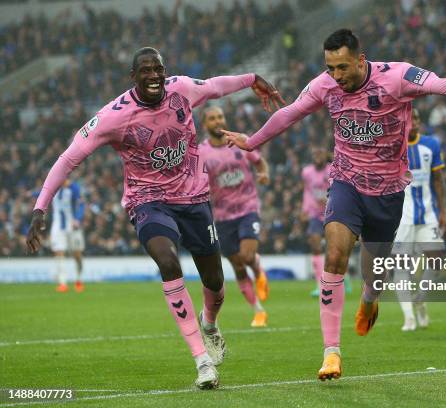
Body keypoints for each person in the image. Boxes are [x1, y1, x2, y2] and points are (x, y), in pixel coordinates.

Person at [222, 29, 446, 380]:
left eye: (342, 67)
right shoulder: (324, 85)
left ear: (361, 59)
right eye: (330, 67)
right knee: (336, 254)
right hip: (346, 182)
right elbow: (291, 113)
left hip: (388, 192)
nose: (336, 76)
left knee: (375, 273)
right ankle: (331, 352)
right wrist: (252, 142)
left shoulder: (398, 77)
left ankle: (370, 298)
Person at [26, 47, 284, 389]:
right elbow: (69, 158)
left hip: (194, 197)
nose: (154, 75)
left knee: (216, 283)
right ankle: (202, 362)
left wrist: (252, 79)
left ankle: (209, 324)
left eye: (158, 69)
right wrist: (40, 208)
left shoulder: (181, 89)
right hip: (148, 201)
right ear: (133, 77)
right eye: (145, 70)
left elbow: (215, 85)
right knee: (168, 261)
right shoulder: (113, 116)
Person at [199, 106, 270, 328]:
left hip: (248, 208)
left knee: (247, 256)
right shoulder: (201, 152)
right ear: (205, 124)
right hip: (221, 216)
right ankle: (258, 311)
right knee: (238, 266)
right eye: (212, 118)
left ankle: (258, 269)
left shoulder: (240, 141)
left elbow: (259, 161)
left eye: (220, 116)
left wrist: (264, 173)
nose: (217, 121)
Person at [392, 108, 446, 331]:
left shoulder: (431, 144)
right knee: (401, 266)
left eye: (416, 118)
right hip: (402, 218)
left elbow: (438, 180)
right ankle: (409, 317)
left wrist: (444, 211)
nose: (412, 122)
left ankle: (420, 298)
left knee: (437, 261)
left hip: (427, 215)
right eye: (408, 119)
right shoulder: (394, 147)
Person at [302, 147, 331, 297]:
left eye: (320, 152)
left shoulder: (332, 170)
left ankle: (341, 280)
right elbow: (307, 191)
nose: (317, 155)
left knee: (335, 249)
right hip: (315, 214)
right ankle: (320, 284)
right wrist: (305, 209)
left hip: (333, 212)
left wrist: (329, 199)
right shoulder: (307, 172)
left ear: (326, 155)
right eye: (315, 153)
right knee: (315, 244)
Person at [49, 179, 86, 292]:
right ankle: (62, 283)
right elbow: (41, 193)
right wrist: (30, 193)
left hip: (73, 225)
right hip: (58, 227)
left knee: (77, 254)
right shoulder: (52, 188)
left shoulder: (74, 188)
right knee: (59, 252)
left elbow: (81, 204)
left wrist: (78, 219)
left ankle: (79, 279)